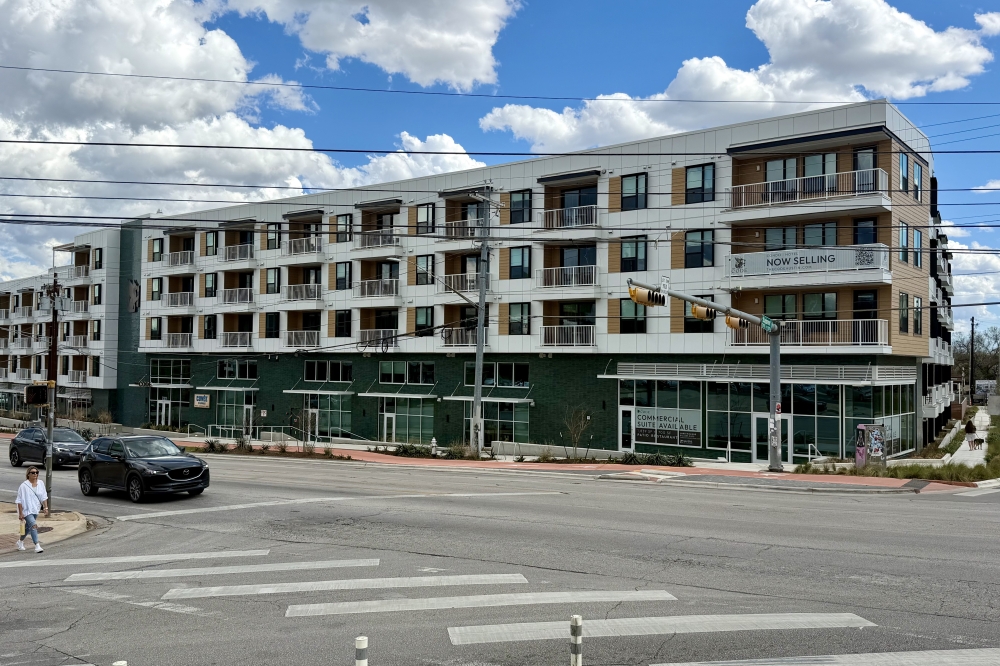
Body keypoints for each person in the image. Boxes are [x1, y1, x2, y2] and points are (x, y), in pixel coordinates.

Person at [15, 466, 47, 553]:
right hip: (26, 510)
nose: (35, 474)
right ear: (28, 474)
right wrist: (21, 513)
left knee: (28, 528)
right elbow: (19, 500)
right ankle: (37, 545)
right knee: (33, 526)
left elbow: (44, 496)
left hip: (35, 509)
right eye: (33, 473)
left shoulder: (41, 483)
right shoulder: (24, 486)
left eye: (37, 472)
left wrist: (45, 507)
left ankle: (20, 542)